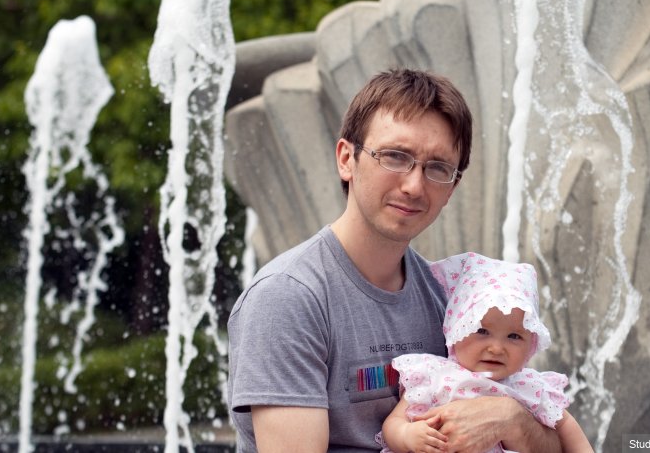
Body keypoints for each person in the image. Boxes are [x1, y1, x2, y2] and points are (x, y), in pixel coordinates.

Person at [227, 68, 562, 452]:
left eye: (437, 168)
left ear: (452, 188)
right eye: (395, 157)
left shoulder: (452, 301)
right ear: (346, 159)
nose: (414, 185)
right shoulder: (288, 298)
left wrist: (512, 419)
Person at [378, 252, 593, 453]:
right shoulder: (434, 374)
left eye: (514, 336)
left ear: (531, 343)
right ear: (456, 329)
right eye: (482, 331)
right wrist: (407, 434)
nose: (496, 348)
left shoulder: (531, 386)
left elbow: (568, 430)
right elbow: (393, 423)